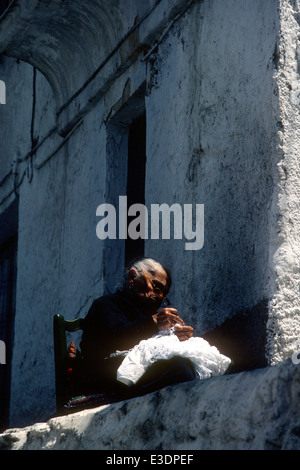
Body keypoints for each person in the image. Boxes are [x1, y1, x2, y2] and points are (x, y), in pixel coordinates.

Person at [79, 257, 195, 402]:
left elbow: (153, 344)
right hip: (110, 375)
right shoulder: (106, 304)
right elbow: (116, 339)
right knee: (178, 367)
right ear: (132, 277)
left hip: (139, 371)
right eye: (156, 287)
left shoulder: (146, 314)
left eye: (163, 294)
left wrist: (175, 336)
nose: (159, 297)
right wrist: (153, 323)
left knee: (191, 362)